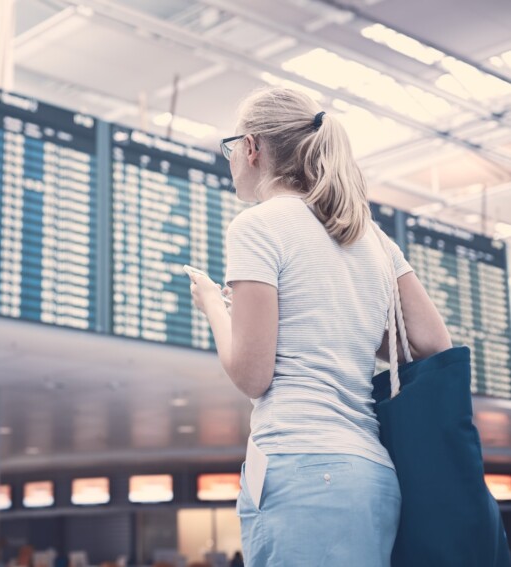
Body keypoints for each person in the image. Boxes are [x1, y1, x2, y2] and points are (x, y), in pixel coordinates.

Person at [188, 87, 451, 566]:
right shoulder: (368, 235)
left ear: (251, 147)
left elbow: (252, 375)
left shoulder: (257, 225)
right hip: (373, 473)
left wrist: (212, 306)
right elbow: (434, 342)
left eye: (231, 148)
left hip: (300, 464)